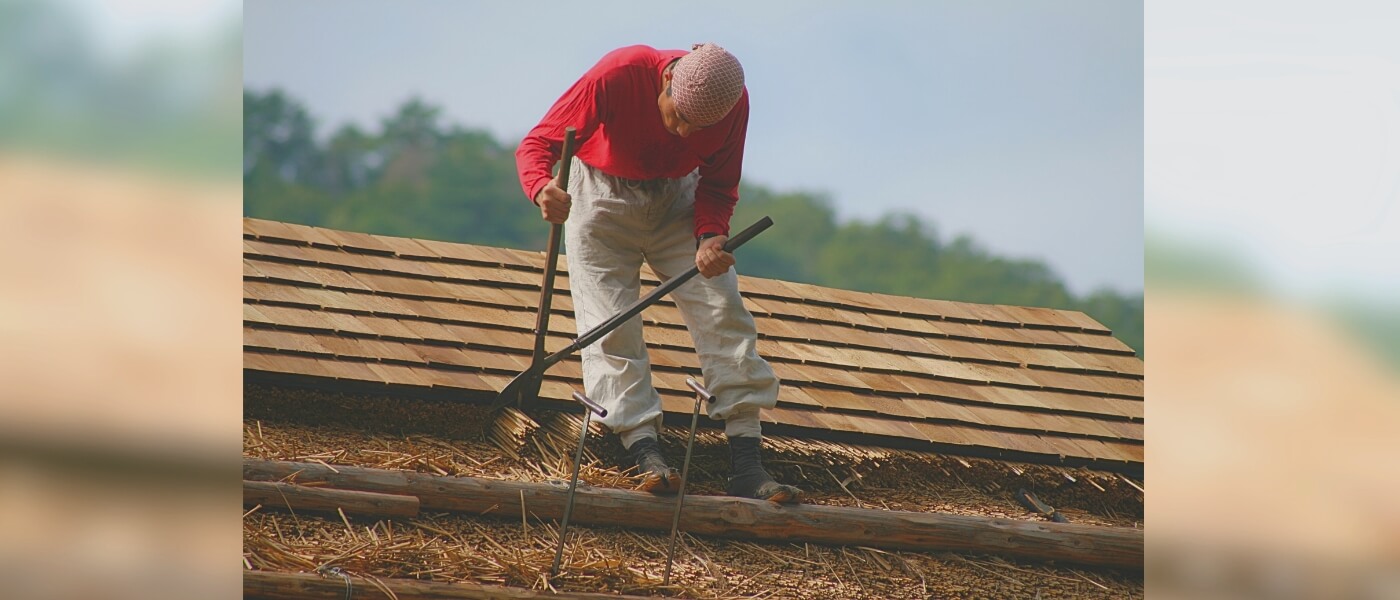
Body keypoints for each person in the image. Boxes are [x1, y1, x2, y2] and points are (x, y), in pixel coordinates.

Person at [516, 43, 801, 503]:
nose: (684, 131)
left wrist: (710, 237)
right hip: (600, 198)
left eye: (698, 127)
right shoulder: (619, 73)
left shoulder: (733, 104)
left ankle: (747, 460)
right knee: (610, 324)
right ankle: (644, 450)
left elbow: (720, 185)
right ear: (667, 81)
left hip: (679, 201)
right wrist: (540, 188)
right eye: (678, 117)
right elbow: (538, 143)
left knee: (722, 308)